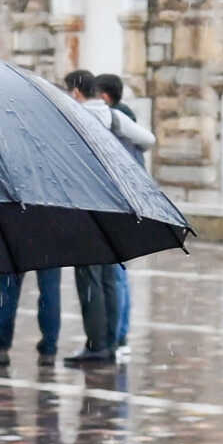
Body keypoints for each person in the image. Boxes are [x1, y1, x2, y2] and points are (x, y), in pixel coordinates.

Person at [62, 69, 154, 367]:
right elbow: (148, 140)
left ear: (77, 93)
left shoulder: (71, 117)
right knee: (111, 276)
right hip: (116, 203)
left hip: (88, 204)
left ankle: (96, 344)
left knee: (89, 274)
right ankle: (113, 341)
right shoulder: (114, 117)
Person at [95, 73, 155, 351]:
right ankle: (120, 335)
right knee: (120, 274)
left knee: (114, 275)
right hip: (130, 208)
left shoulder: (117, 129)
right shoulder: (131, 130)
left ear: (105, 97)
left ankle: (116, 337)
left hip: (117, 207)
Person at [0, 268, 62, 368]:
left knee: (9, 286)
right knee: (50, 288)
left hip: (18, 252)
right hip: (49, 253)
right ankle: (49, 351)